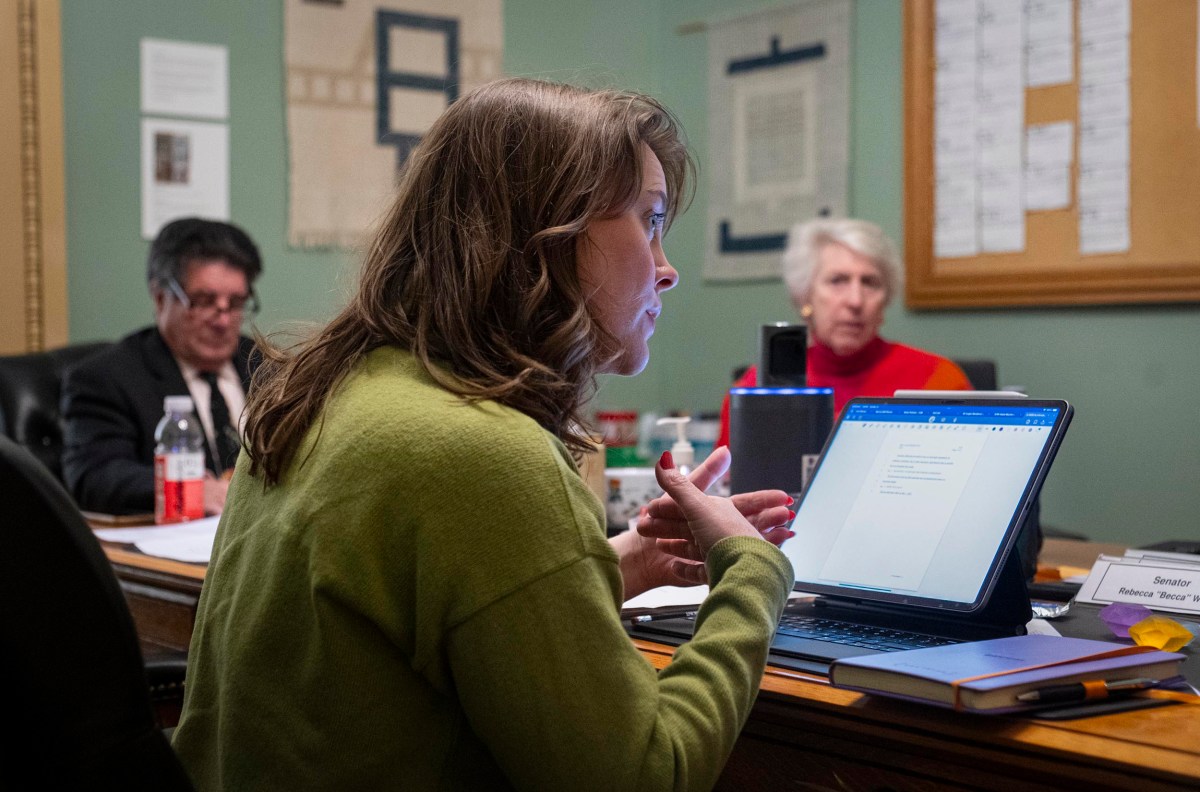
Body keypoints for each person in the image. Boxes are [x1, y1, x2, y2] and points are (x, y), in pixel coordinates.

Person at [171, 78, 796, 790]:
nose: (667, 269)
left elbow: (422, 617)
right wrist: (751, 574)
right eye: (649, 221)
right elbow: (648, 775)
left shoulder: (322, 394)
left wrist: (620, 560)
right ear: (549, 234)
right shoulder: (484, 455)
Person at [61, 218, 262, 516]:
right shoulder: (107, 378)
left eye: (235, 303)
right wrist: (189, 488)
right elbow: (95, 477)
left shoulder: (265, 363)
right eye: (204, 301)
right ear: (160, 297)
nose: (223, 321)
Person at [716, 217, 972, 447]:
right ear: (805, 297)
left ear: (885, 301)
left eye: (870, 282)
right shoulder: (755, 391)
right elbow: (725, 481)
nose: (855, 301)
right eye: (837, 280)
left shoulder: (939, 382)